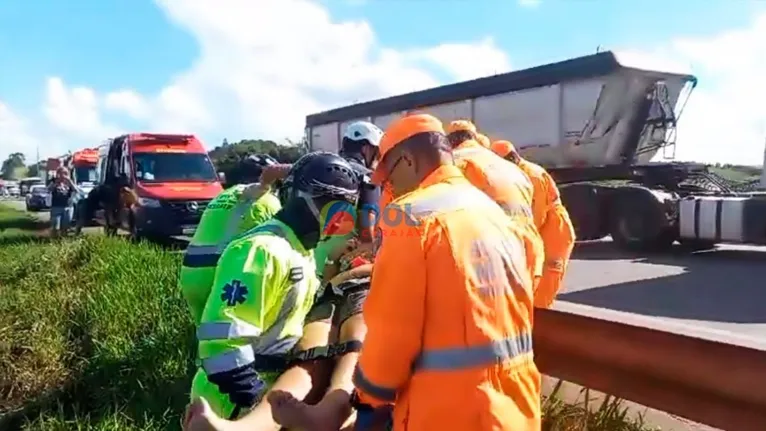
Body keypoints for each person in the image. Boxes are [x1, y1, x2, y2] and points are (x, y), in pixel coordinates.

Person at [267, 114, 542, 431]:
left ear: (408, 160)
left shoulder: (409, 215)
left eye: (388, 174)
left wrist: (368, 395)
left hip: (450, 407)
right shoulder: (489, 209)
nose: (387, 185)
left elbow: (392, 326)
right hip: (515, 400)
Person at [185, 152, 363, 429]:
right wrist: (258, 404)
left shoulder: (301, 251)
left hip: (270, 391)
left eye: (344, 210)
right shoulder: (261, 251)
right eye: (330, 206)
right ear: (298, 197)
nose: (338, 220)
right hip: (231, 401)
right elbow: (222, 345)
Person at [179, 154, 283, 325]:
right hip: (222, 276)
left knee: (206, 339)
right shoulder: (268, 201)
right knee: (235, 340)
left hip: (191, 275)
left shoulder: (221, 196)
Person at [445, 120, 544, 290]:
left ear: (449, 141)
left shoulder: (454, 164)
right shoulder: (515, 169)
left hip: (487, 265)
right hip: (526, 257)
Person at [491, 139, 575, 308]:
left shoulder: (531, 175)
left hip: (552, 229)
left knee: (545, 282)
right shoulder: (521, 173)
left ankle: (541, 324)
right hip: (545, 226)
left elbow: (536, 215)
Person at [48, 167, 79, 238]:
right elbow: (49, 189)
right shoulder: (54, 181)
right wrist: (56, 182)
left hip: (68, 206)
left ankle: (63, 241)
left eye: (65, 173)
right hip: (56, 206)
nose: (63, 175)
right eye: (61, 173)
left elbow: (76, 191)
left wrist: (70, 181)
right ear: (57, 174)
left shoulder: (70, 182)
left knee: (65, 227)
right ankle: (53, 240)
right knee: (55, 227)